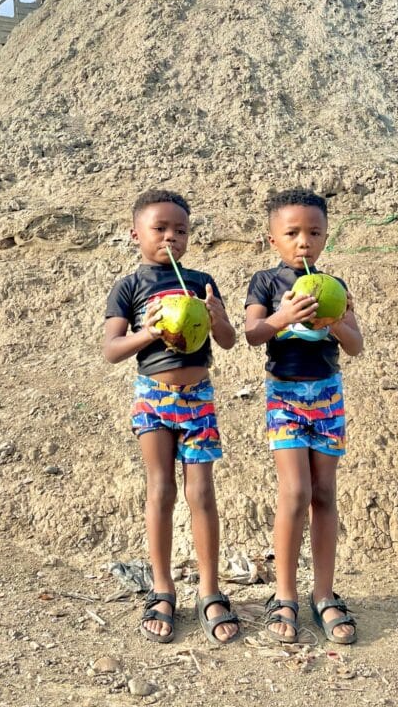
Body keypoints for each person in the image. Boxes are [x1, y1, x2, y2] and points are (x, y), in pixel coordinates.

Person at [103, 189, 240, 645]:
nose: (171, 237)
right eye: (159, 228)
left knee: (201, 492)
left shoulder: (200, 280)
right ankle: (162, 589)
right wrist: (149, 331)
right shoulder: (130, 287)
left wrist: (217, 315)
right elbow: (111, 350)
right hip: (153, 396)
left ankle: (210, 590)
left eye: (180, 230)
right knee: (160, 489)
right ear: (135, 233)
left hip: (198, 395)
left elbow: (226, 341)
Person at [244, 188, 364, 646]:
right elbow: (252, 333)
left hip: (328, 394)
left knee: (325, 492)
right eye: (291, 233)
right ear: (273, 240)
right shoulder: (266, 282)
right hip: (285, 395)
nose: (303, 242)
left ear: (326, 236)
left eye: (314, 233)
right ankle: (285, 595)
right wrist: (283, 316)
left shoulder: (335, 286)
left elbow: (356, 345)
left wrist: (332, 321)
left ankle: (324, 593)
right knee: (294, 491)